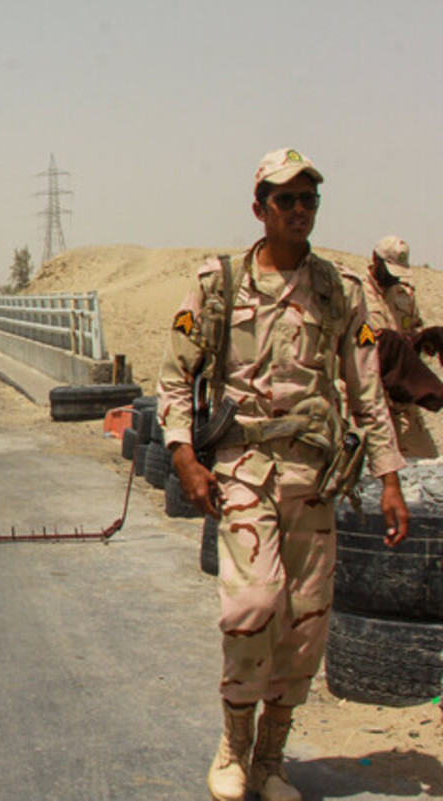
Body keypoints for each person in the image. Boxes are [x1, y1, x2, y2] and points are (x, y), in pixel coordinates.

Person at [157, 147, 409, 801]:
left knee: (304, 625)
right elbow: (175, 374)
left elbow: (366, 389)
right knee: (252, 605)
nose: (299, 210)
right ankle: (233, 747)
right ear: (259, 209)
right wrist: (184, 455)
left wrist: (387, 476)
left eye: (308, 200)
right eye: (285, 200)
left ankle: (271, 759)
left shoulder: (339, 291)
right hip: (243, 469)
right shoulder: (219, 285)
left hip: (314, 476)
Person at [363, 235, 443, 458]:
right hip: (371, 399)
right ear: (375, 260)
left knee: (427, 463)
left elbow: (413, 332)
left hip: (403, 401)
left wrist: (426, 339)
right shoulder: (355, 294)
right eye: (389, 270)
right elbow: (358, 341)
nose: (393, 278)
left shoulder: (404, 295)